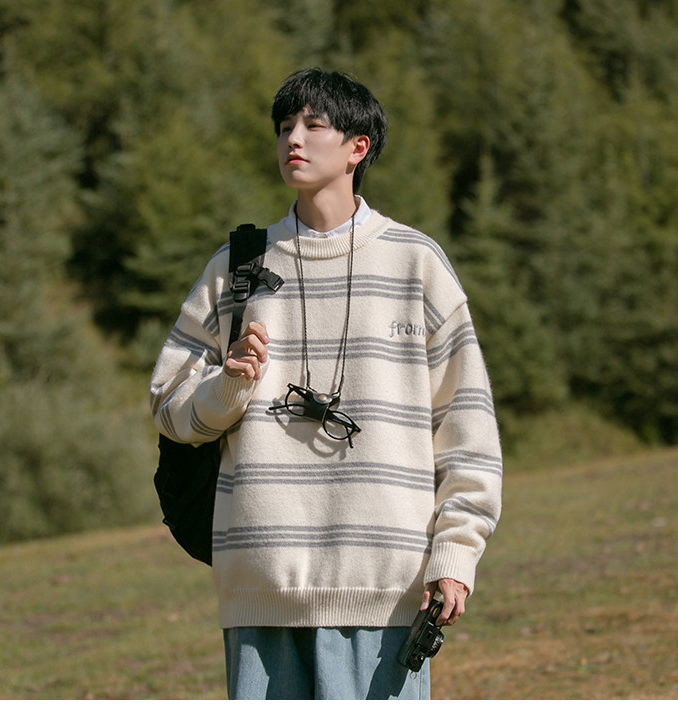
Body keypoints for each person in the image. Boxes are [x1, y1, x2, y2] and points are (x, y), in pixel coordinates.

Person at [149, 67, 502, 700]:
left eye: (314, 125)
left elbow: (467, 429)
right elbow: (168, 408)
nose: (293, 139)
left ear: (357, 148)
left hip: (386, 588)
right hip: (260, 589)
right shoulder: (238, 266)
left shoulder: (416, 263)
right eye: (285, 126)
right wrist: (228, 387)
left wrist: (456, 556)